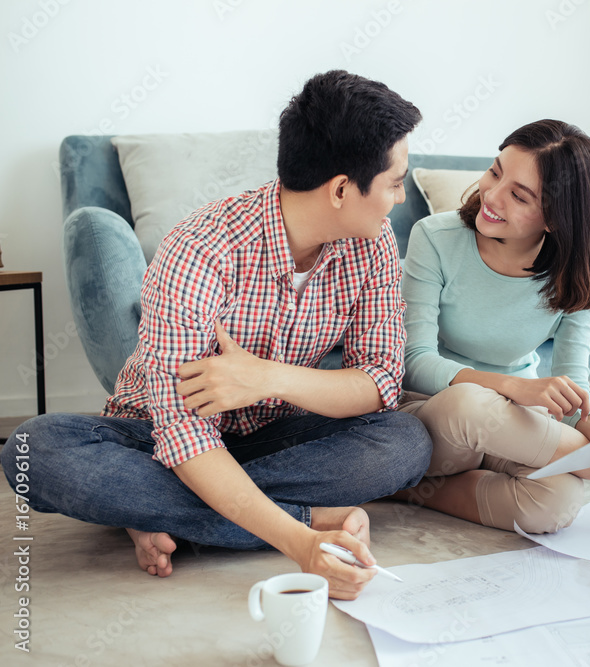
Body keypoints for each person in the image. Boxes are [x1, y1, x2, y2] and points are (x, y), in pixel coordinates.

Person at [1, 70, 431, 600]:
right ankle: (300, 511)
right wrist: (301, 538)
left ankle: (160, 511)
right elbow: (181, 434)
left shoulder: (372, 244)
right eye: (394, 181)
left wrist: (264, 378)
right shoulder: (201, 247)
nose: (400, 197)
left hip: (271, 436)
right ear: (342, 188)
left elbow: (381, 379)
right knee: (32, 449)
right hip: (157, 437)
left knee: (404, 442)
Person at [394, 119, 590, 539]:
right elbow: (414, 361)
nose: (490, 196)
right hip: (435, 418)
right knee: (469, 403)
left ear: (554, 218)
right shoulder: (435, 237)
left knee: (556, 503)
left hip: (517, 425)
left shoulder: (578, 275)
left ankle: (409, 490)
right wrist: (511, 387)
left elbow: (572, 382)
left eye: (519, 195)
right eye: (495, 171)